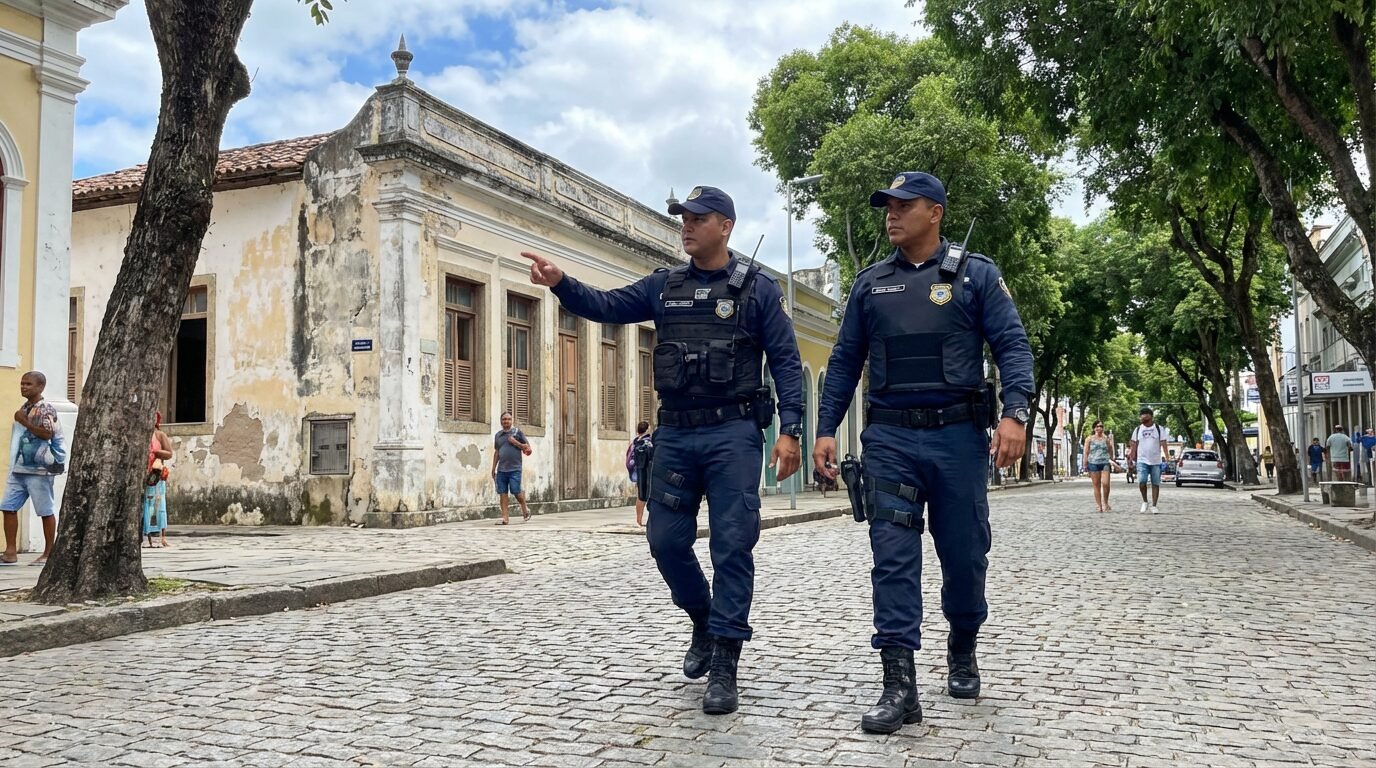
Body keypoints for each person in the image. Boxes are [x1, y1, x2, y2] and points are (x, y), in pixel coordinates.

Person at [520, 184, 803, 716]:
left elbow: (787, 362)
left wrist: (791, 430)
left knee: (732, 545)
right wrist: (561, 283)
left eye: (698, 218)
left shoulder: (757, 289)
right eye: (683, 218)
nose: (686, 226)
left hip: (733, 434)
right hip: (676, 434)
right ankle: (703, 618)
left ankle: (725, 660)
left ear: (726, 226)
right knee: (665, 541)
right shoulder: (664, 285)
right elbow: (607, 306)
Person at [812, 171, 1033, 734]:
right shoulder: (870, 285)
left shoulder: (976, 275)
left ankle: (963, 643)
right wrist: (825, 427)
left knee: (965, 557)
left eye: (903, 205)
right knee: (892, 558)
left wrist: (1015, 413)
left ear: (934, 212)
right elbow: (844, 361)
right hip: (889, 439)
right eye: (887, 206)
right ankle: (899, 684)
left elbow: (1012, 345)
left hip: (957, 438)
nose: (891, 214)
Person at [1, 372, 63, 566]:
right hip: (20, 467)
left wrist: (24, 421)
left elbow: (47, 434)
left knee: (44, 509)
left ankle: (48, 552)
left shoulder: (46, 409)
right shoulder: (25, 407)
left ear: (40, 387)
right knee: (8, 507)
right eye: (22, 383)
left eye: (28, 384)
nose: (23, 387)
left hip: (39, 469)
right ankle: (10, 552)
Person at [491, 411, 532, 524]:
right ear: (501, 421)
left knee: (516, 491)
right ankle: (505, 518)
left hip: (515, 469)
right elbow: (497, 452)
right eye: (504, 419)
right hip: (501, 469)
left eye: (508, 419)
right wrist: (493, 468)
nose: (506, 421)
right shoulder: (498, 436)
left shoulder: (517, 433)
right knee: (503, 493)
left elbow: (528, 449)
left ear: (512, 420)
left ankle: (525, 507)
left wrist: (515, 442)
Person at [143, 411, 173, 548]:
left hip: (157, 475)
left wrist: (155, 452)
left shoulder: (160, 435)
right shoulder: (141, 435)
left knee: (159, 506)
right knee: (146, 507)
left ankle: (162, 537)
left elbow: (169, 453)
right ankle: (148, 537)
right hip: (145, 476)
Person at [1128, 407, 1166, 513]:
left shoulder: (1159, 428)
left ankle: (1154, 505)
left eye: (1144, 414)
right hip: (1142, 460)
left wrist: (1167, 457)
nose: (1142, 417)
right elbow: (1134, 445)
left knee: (1155, 483)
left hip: (1155, 460)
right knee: (1142, 482)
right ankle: (1145, 501)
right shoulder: (1138, 430)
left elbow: (1163, 443)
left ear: (1150, 416)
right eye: (1141, 415)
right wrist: (1131, 458)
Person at [1082, 420, 1118, 512]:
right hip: (1093, 463)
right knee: (1096, 485)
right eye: (1097, 426)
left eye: (1101, 426)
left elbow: (1110, 449)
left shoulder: (1106, 439)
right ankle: (1099, 505)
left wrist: (1113, 459)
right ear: (1094, 428)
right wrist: (1085, 464)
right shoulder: (1089, 439)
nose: (1099, 428)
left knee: (1106, 483)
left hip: (1104, 462)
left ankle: (1106, 502)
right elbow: (1086, 452)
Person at [627, 421, 653, 527]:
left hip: (637, 470)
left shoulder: (634, 442)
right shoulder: (649, 442)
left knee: (640, 496)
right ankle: (650, 519)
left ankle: (639, 519)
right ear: (647, 429)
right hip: (647, 471)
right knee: (649, 494)